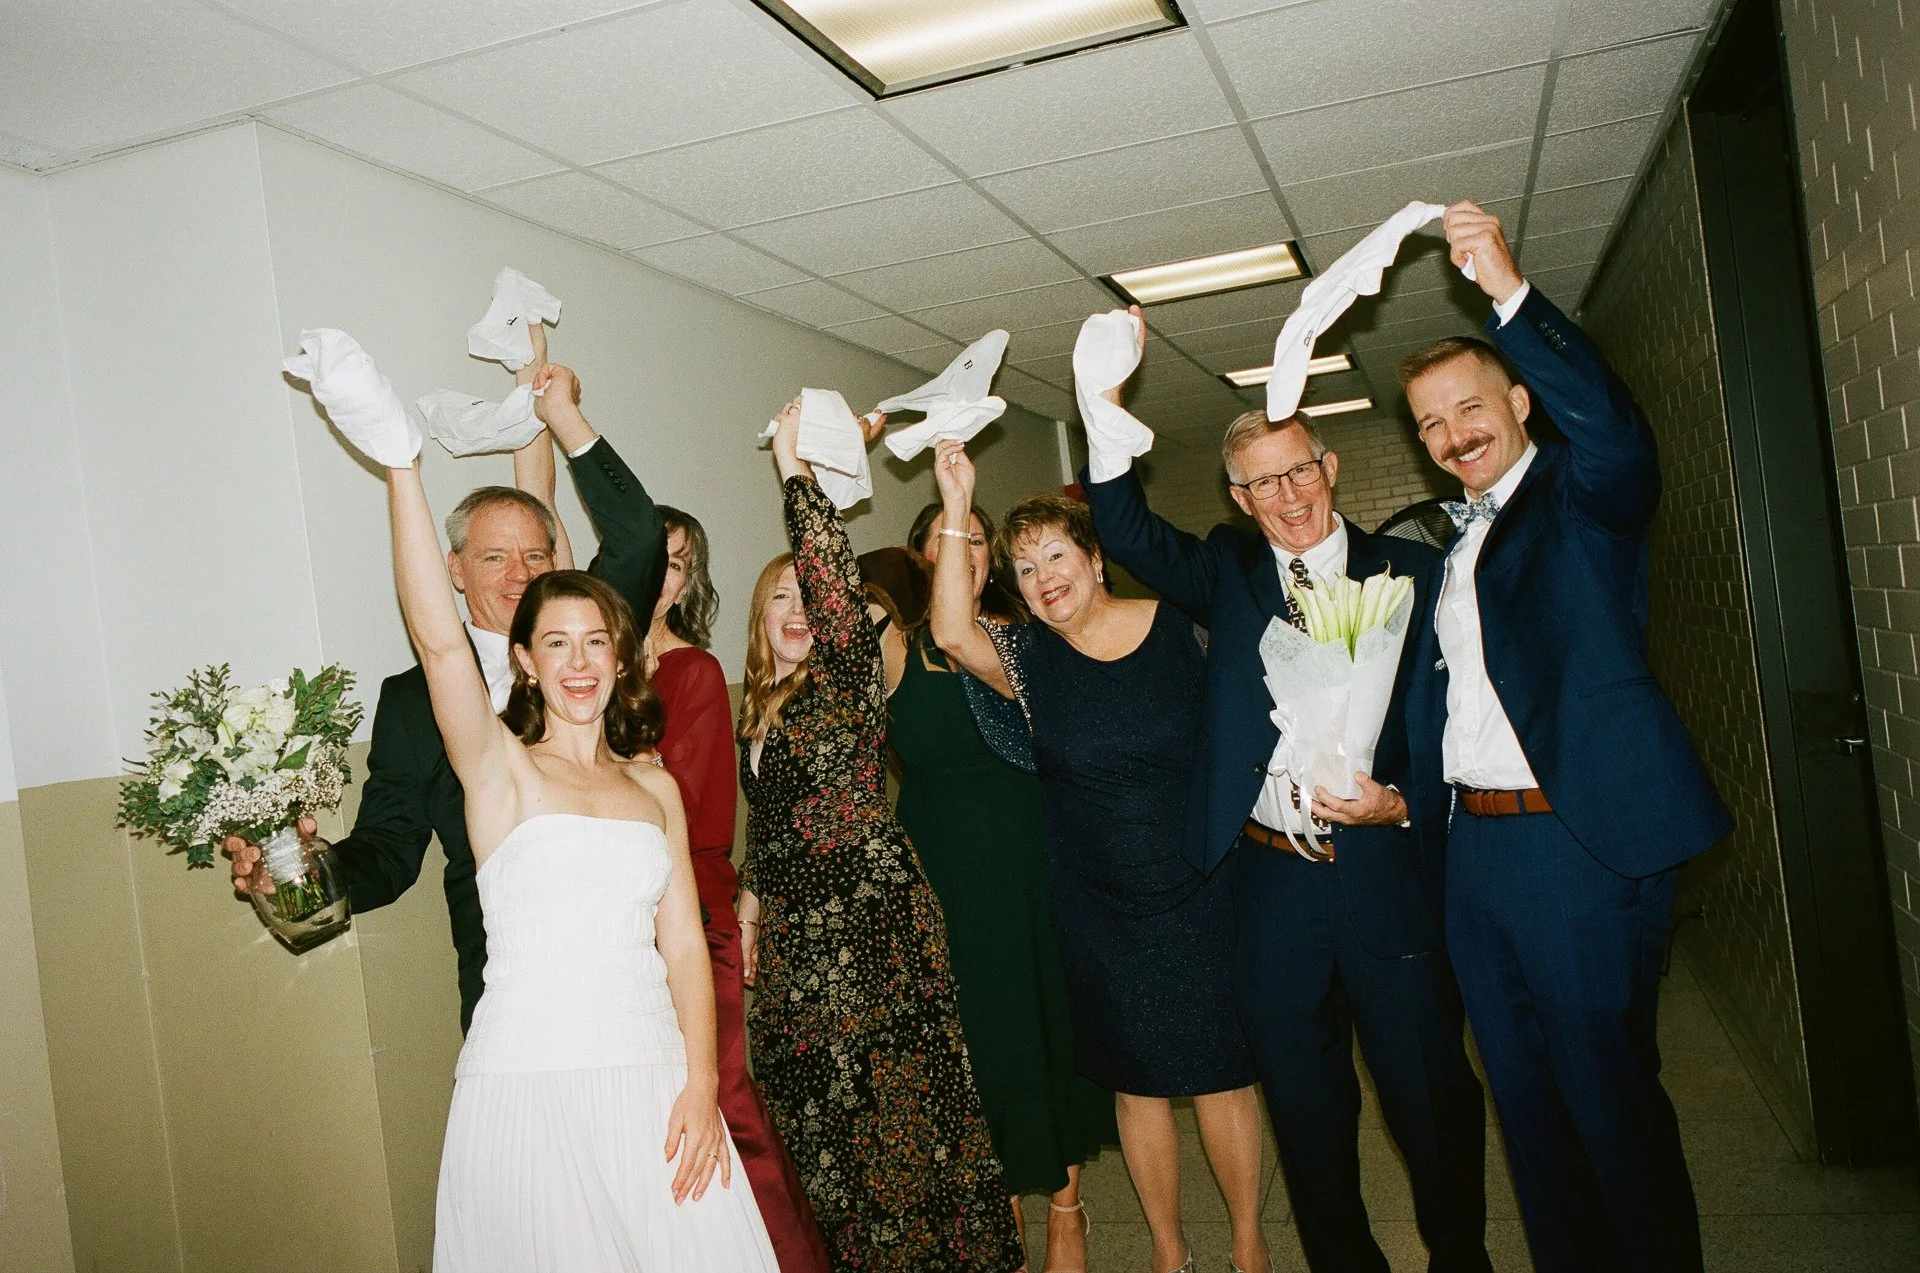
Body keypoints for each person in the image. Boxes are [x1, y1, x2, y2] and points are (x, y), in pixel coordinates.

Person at [1077, 314, 1490, 1273]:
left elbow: (1450, 719)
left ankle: (1461, 1256)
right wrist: (1100, 406)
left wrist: (1402, 803)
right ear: (1239, 496)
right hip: (1272, 889)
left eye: (1298, 470)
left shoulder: (1417, 573)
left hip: (1389, 870)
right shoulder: (1225, 575)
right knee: (1306, 1111)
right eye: (1262, 481)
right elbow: (1127, 527)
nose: (1286, 495)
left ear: (1330, 467)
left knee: (1430, 1094)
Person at [1398, 201, 1732, 1273]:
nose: (1454, 434)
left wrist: (1506, 289)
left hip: (1573, 843)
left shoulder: (1586, 494)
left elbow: (1620, 433)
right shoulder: (1454, 546)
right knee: (1529, 1111)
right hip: (1478, 854)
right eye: (1431, 425)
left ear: (1522, 399)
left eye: (1470, 406)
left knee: (1606, 1098)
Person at [376, 417, 775, 1267]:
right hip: (527, 1075)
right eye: (556, 643)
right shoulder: (498, 773)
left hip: (650, 1067)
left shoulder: (654, 785)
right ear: (525, 662)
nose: (580, 661)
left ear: (621, 657)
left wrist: (701, 1083)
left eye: (597, 641)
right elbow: (438, 640)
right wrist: (398, 462)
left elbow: (681, 949)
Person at [230, 353, 667, 1035]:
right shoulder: (413, 702)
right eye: (494, 557)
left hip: (634, 963)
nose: (519, 575)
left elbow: (640, 538)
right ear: (454, 570)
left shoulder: (592, 653)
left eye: (535, 556)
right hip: (508, 983)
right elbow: (388, 850)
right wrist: (297, 871)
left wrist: (564, 417)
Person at [928, 443, 1268, 1273]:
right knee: (1137, 1081)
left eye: (1056, 555)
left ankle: (1251, 1247)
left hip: (1201, 882)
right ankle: (1166, 1250)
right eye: (1025, 566)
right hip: (1097, 899)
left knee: (1224, 1071)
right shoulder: (1032, 663)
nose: (1044, 576)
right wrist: (952, 501)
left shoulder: (1181, 626)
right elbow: (947, 628)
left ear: (1094, 556)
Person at [733, 399, 1024, 1273]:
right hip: (794, 954)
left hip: (870, 939)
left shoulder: (846, 678)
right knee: (823, 1134)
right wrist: (750, 899)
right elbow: (776, 824)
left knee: (900, 1130)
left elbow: (829, 574)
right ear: (757, 616)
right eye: (778, 595)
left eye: (810, 596)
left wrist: (796, 469)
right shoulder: (759, 712)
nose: (799, 607)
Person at [883, 500, 1116, 1273]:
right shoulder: (893, 652)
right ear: (925, 557)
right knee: (984, 1042)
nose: (969, 551)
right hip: (945, 875)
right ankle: (1000, 1205)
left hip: (1038, 862)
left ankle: (1066, 1207)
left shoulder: (1030, 640)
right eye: (952, 540)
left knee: (1050, 1026)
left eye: (980, 541)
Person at [639, 504, 832, 1273]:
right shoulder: (596, 668)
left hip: (692, 916)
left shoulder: (692, 671)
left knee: (724, 1098)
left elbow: (697, 821)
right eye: (651, 555)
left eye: (679, 562)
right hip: (619, 927)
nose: (662, 572)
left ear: (692, 583)